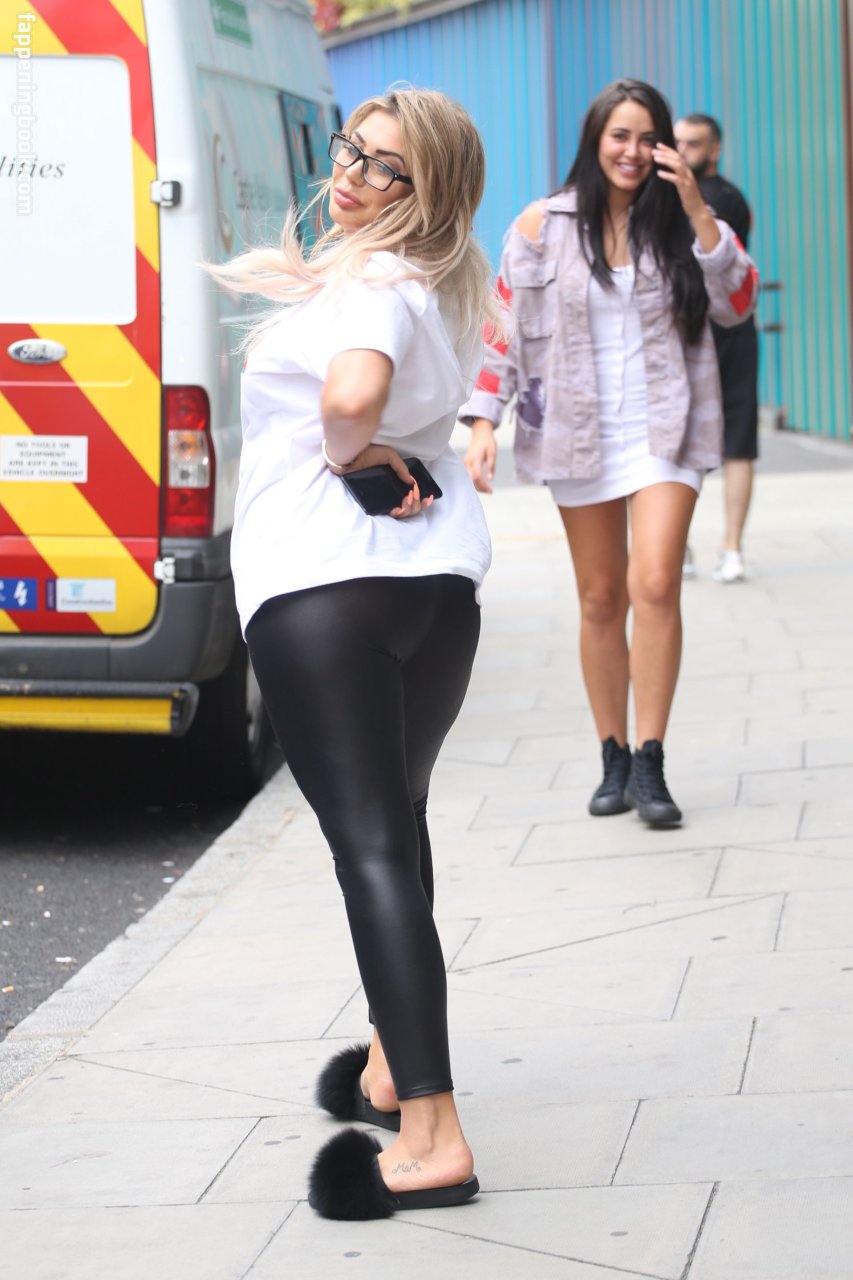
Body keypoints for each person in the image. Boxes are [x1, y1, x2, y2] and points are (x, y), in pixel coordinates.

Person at [212, 89, 503, 1221]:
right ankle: (390, 1068)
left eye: (386, 168)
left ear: (425, 193)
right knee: (400, 826)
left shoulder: (376, 280)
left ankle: (430, 1138)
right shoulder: (440, 284)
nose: (351, 175)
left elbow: (350, 395)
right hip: (434, 593)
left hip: (325, 589)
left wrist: (349, 451)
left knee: (371, 849)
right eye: (352, 150)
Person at [463, 79, 758, 827]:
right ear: (595, 139)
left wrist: (696, 208)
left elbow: (737, 302)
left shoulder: (686, 221)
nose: (631, 151)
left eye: (646, 137)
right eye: (618, 135)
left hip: (667, 427)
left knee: (654, 581)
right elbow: (501, 323)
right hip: (574, 427)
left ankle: (650, 762)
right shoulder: (542, 225)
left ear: (665, 147)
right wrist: (482, 421)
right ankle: (613, 756)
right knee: (600, 598)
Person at [675, 113, 759, 584]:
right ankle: (680, 545)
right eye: (678, 142)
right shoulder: (666, 196)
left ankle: (732, 548)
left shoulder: (723, 199)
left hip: (730, 332)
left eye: (694, 143)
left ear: (715, 149)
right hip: (684, 331)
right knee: (676, 440)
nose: (683, 150)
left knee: (738, 442)